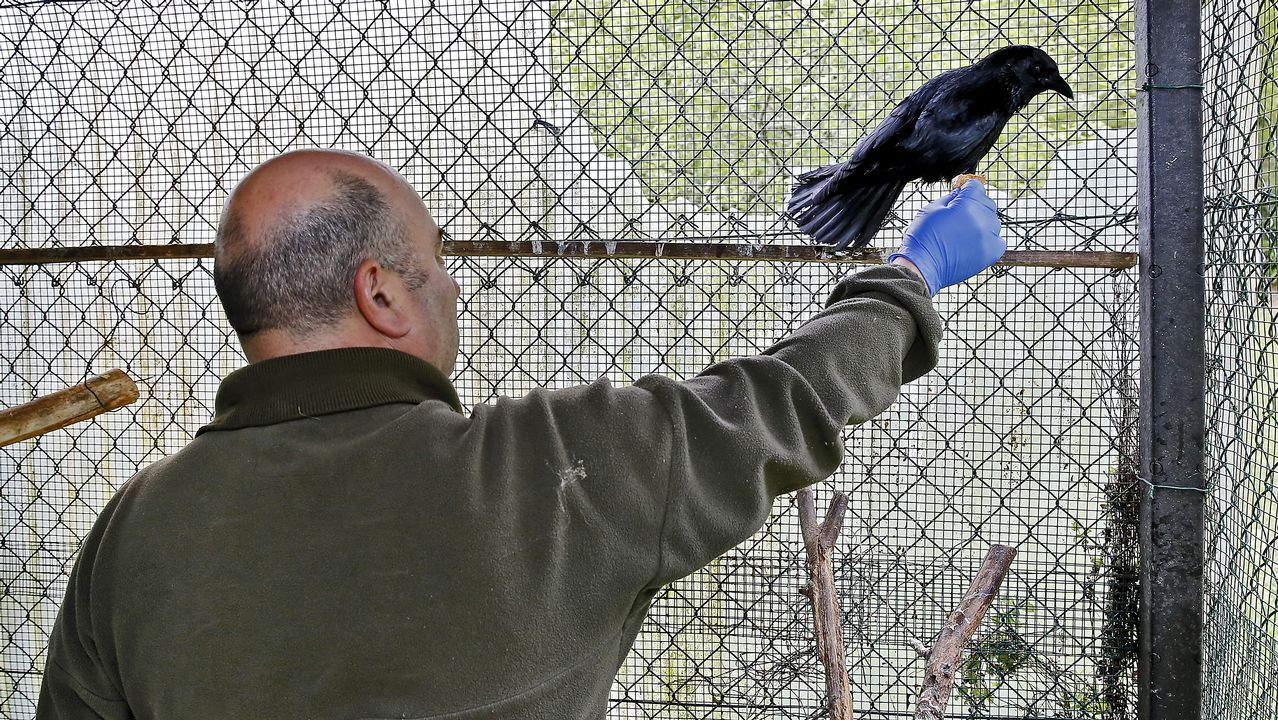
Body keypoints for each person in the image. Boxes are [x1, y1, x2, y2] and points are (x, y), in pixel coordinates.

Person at [36, 149, 1004, 719]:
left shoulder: (131, 534)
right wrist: (913, 273)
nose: (453, 284)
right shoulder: (552, 469)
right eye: (436, 262)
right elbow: (785, 399)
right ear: (378, 291)